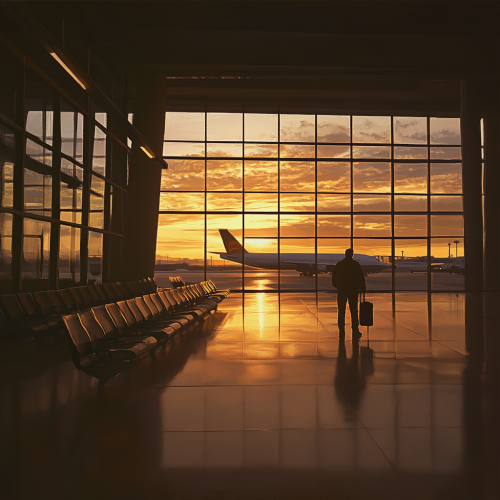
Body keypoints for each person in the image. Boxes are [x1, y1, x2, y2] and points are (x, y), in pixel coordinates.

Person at [332, 248, 366, 340]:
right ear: (352, 255)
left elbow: (334, 277)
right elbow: (360, 277)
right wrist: (362, 288)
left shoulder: (339, 265)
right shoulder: (355, 265)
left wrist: (338, 286)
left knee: (341, 311)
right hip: (352, 291)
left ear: (345, 254)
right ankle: (355, 330)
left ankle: (341, 331)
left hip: (342, 291)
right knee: (354, 311)